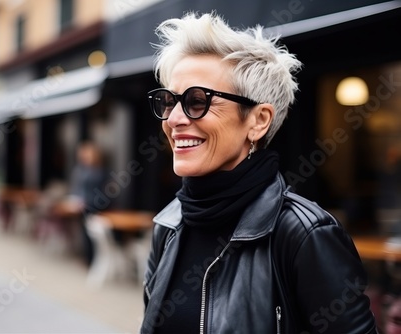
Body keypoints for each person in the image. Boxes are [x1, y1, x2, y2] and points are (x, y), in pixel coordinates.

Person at [141, 12, 377, 333]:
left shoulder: (304, 235)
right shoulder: (169, 225)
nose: (174, 119)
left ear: (258, 121)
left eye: (197, 101)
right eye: (170, 101)